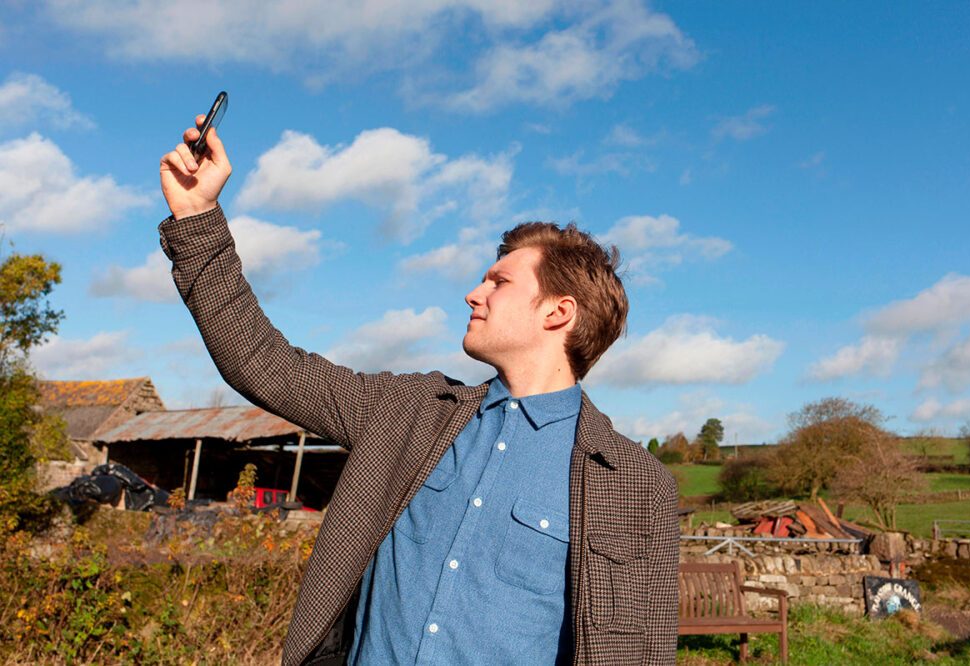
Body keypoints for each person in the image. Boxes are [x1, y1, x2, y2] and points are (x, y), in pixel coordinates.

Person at [159, 115, 679, 666]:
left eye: (499, 282)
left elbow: (636, 652)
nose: (473, 293)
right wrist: (197, 218)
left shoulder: (636, 487)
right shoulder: (407, 412)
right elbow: (260, 361)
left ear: (558, 312)